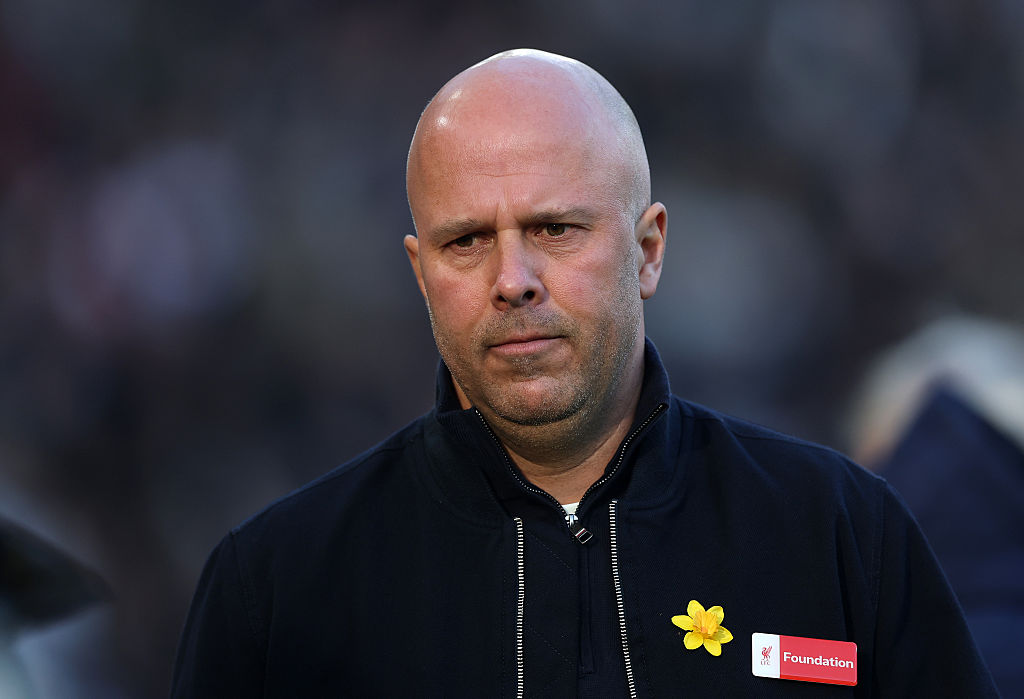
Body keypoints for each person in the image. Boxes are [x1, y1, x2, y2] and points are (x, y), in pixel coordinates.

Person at [171, 50, 997, 697]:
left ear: (648, 249)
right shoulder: (277, 587)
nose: (512, 279)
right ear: (422, 275)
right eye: (467, 241)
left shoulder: (842, 536)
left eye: (555, 228)